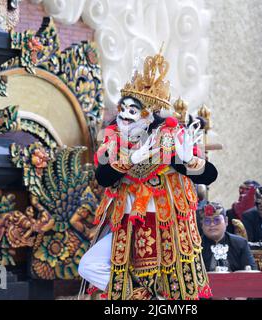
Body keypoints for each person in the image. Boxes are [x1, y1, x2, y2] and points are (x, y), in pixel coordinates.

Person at [78, 50, 218, 300]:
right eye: (123, 108)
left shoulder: (168, 139)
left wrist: (187, 161)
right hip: (127, 228)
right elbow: (104, 178)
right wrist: (132, 158)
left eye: (134, 110)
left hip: (167, 227)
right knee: (88, 266)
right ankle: (141, 298)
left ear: (149, 114)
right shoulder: (114, 143)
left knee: (173, 287)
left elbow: (208, 176)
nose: (125, 115)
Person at [201, 202, 256, 272]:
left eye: (217, 220)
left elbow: (252, 273)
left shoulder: (240, 244)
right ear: (202, 224)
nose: (212, 224)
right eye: (207, 221)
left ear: (226, 221)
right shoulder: (195, 248)